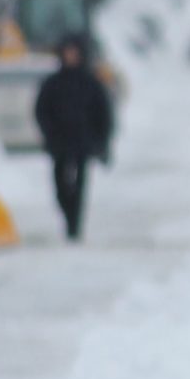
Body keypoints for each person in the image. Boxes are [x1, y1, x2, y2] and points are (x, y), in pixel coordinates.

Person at [33, 37, 114, 241]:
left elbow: (103, 113)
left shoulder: (91, 83)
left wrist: (101, 140)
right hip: (59, 141)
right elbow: (41, 110)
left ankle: (74, 225)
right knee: (60, 185)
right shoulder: (52, 83)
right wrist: (49, 131)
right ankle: (67, 214)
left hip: (82, 142)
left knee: (79, 185)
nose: (71, 57)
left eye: (74, 53)